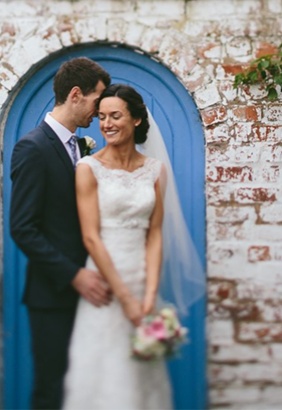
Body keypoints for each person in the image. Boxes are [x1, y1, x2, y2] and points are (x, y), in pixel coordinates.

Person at [9, 57, 113, 410]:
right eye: (98, 101)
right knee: (52, 391)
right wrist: (74, 276)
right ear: (75, 95)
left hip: (92, 294)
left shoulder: (81, 147)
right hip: (53, 295)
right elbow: (22, 227)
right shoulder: (33, 147)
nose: (100, 113)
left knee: (87, 391)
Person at [62, 84, 174, 410]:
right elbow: (90, 237)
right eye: (101, 117)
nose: (107, 124)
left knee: (141, 379)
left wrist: (149, 294)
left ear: (137, 119)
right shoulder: (87, 168)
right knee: (103, 374)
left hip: (142, 282)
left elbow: (154, 233)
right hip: (106, 286)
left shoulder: (155, 170)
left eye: (115, 116)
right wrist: (124, 297)